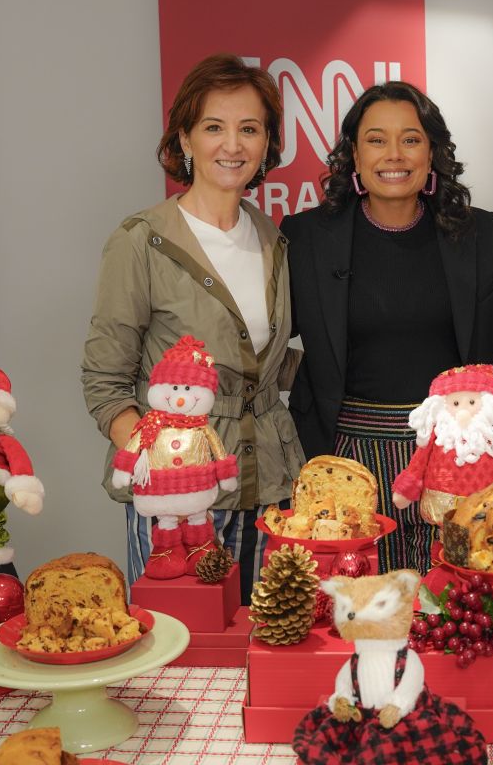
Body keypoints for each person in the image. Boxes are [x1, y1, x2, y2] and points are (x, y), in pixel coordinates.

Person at [81, 54, 304, 603]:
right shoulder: (141, 240)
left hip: (270, 484)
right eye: (214, 127)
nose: (233, 145)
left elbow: (261, 365)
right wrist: (166, 467)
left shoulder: (272, 238)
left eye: (249, 129)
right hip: (178, 504)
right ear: (184, 138)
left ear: (266, 144)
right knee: (181, 656)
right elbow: (105, 382)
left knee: (267, 643)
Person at [282, 81, 493, 574]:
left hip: (452, 453)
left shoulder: (477, 234)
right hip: (346, 451)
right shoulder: (307, 238)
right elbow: (269, 335)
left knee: (451, 602)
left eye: (410, 139)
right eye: (376, 139)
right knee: (359, 610)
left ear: (432, 153)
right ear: (354, 156)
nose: (394, 155)